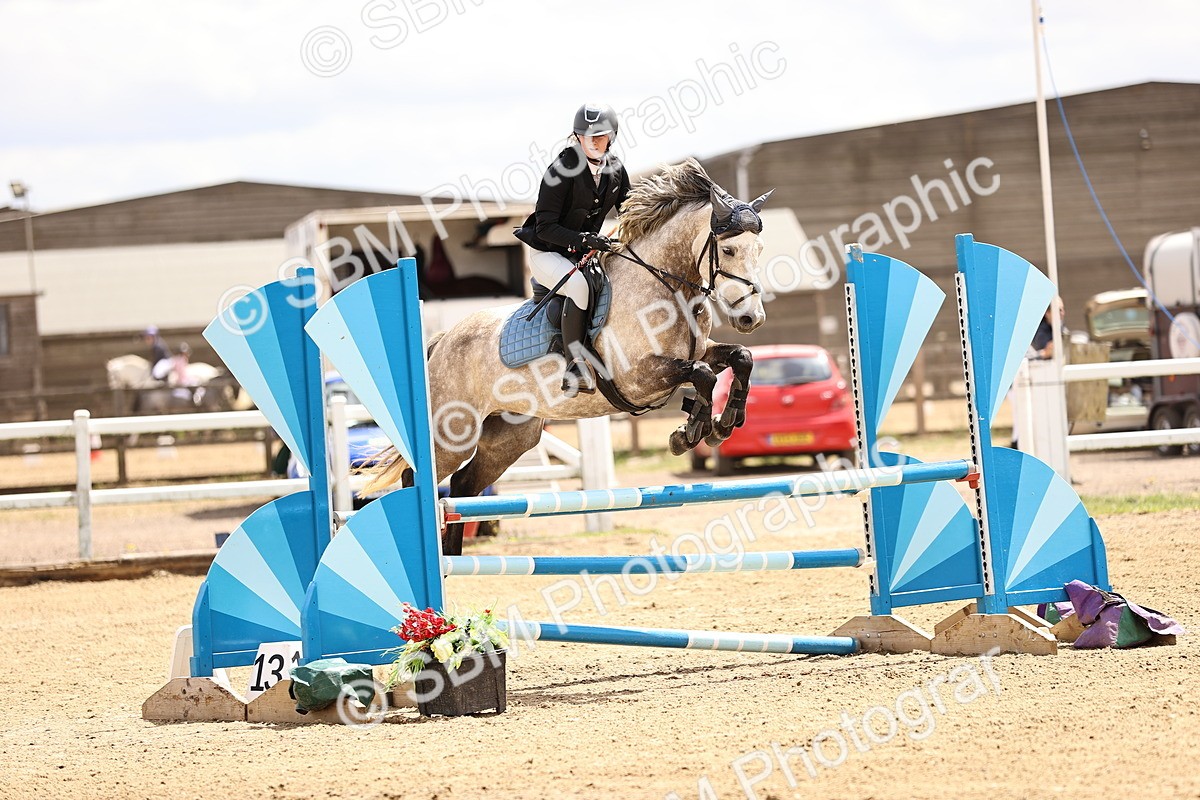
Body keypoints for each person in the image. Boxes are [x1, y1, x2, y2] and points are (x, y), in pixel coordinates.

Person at [514, 103, 632, 397]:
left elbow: (631, 210)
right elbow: (545, 228)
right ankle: (574, 365)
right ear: (576, 137)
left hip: (582, 254)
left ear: (612, 137)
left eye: (600, 136)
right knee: (579, 287)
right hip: (548, 253)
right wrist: (586, 240)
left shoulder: (616, 170)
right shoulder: (560, 171)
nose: (592, 141)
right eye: (585, 135)